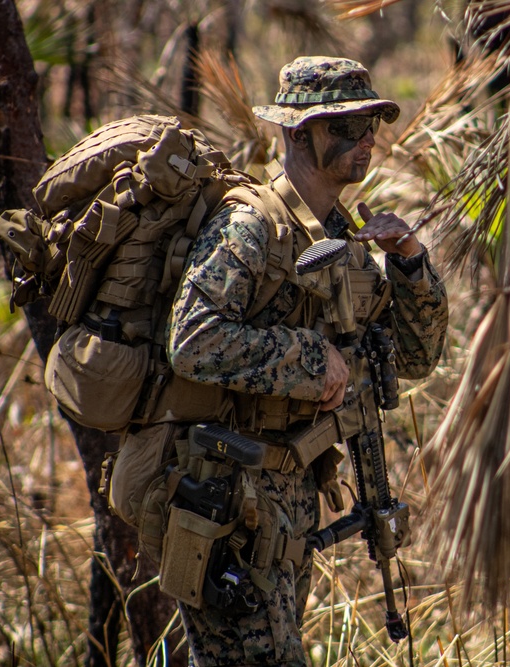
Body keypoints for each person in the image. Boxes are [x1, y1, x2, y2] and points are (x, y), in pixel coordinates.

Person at [165, 56, 448, 666]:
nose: (364, 138)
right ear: (296, 133)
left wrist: (410, 263)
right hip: (228, 502)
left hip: (287, 506)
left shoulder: (343, 238)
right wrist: (308, 358)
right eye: (342, 126)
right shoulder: (251, 225)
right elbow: (192, 339)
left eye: (369, 123)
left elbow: (413, 359)